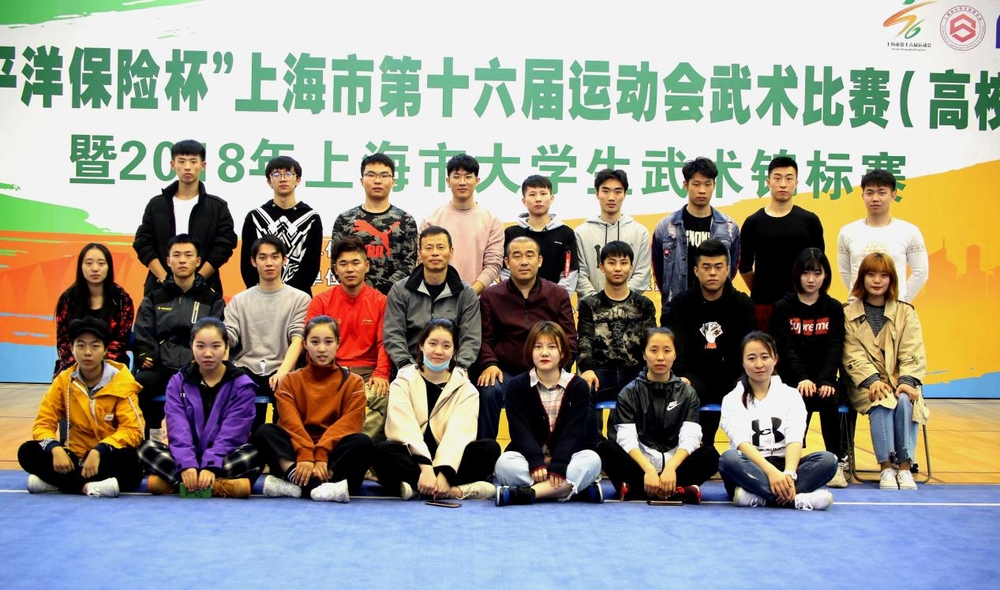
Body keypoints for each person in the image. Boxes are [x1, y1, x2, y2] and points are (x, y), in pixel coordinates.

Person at [370, 318, 499, 500]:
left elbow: (459, 434)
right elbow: (403, 427)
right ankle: (453, 490)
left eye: (446, 346)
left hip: (450, 460)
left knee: (489, 449)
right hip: (414, 457)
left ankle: (420, 488)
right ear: (421, 345)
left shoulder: (466, 388)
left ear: (454, 350)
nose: (438, 351)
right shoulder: (403, 381)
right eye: (432, 344)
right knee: (382, 450)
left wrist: (444, 474)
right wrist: (425, 467)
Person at [253, 316, 376, 502]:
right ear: (305, 344)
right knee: (265, 432)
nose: (322, 349)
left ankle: (300, 484)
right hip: (297, 453)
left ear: (338, 343)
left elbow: (350, 423)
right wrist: (305, 454)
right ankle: (310, 482)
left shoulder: (354, 382)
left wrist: (321, 454)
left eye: (328, 342)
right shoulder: (289, 381)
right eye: (315, 342)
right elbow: (290, 422)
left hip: (332, 457)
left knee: (363, 443)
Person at [18, 317, 144, 497]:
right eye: (81, 346)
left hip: (106, 456)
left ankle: (59, 483)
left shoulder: (122, 381)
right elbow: (43, 424)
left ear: (105, 350)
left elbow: (133, 429)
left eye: (95, 346)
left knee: (132, 467)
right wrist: (55, 448)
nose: (87, 352)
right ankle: (88, 487)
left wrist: (99, 450)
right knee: (27, 452)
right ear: (71, 348)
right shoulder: (63, 381)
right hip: (73, 456)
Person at [137, 318, 260, 498]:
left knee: (255, 454)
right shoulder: (178, 382)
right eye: (200, 346)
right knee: (145, 448)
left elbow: (233, 433)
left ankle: (178, 484)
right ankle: (218, 486)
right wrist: (187, 464)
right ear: (191, 346)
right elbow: (177, 426)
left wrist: (211, 465)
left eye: (215, 346)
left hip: (223, 456)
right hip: (185, 455)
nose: (208, 353)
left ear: (226, 347)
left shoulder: (242, 385)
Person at [596, 328, 719, 503]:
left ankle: (637, 489)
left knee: (711, 455)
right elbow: (626, 439)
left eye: (667, 351)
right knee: (605, 448)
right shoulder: (629, 392)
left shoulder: (687, 393)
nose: (660, 357)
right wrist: (649, 470)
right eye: (654, 350)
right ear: (644, 354)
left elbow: (690, 437)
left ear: (675, 355)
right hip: (641, 465)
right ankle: (677, 490)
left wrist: (671, 468)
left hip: (675, 467)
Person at [718, 331, 837, 510]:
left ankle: (761, 497)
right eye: (751, 358)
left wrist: (788, 474)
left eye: (765, 357)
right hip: (751, 468)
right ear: (742, 362)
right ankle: (795, 499)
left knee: (828, 460)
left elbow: (795, 437)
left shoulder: (791, 395)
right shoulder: (732, 399)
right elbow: (741, 443)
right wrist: (771, 473)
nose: (759, 364)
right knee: (728, 459)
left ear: (775, 359)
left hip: (785, 465)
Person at [843, 252, 929, 490]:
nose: (877, 280)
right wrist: (872, 380)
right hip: (865, 385)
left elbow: (913, 351)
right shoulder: (848, 313)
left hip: (901, 381)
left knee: (905, 400)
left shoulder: (906, 312)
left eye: (883, 275)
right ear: (862, 278)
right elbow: (852, 354)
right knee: (882, 399)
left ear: (891, 279)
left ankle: (905, 468)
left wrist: (906, 381)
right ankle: (886, 468)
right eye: (871, 274)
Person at [476, 236, 577, 439]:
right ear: (507, 262)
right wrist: (489, 364)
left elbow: (569, 340)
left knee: (576, 390)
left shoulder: (557, 294)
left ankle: (558, 451)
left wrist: (557, 369)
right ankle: (485, 451)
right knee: (488, 390)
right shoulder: (490, 296)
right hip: (505, 371)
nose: (523, 262)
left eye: (529, 256)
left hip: (546, 370)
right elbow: (484, 339)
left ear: (539, 261)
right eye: (517, 256)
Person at [495, 321, 604, 506]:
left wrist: (559, 463)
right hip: (530, 460)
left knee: (592, 460)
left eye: (552, 347)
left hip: (567, 459)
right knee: (504, 464)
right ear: (530, 351)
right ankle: (574, 489)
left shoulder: (578, 386)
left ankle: (528, 493)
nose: (544, 353)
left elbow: (574, 433)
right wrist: (536, 462)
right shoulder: (516, 386)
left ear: (562, 352)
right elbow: (520, 431)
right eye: (538, 347)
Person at [662, 239, 755, 448]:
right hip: (694, 375)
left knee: (748, 388)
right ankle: (691, 451)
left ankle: (745, 453)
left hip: (732, 376)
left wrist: (744, 377)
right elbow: (676, 348)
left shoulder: (742, 304)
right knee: (682, 389)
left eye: (718, 267)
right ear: (696, 270)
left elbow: (749, 347)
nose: (712, 273)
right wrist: (682, 376)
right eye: (706, 267)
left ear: (728, 270)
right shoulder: (681, 304)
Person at [770, 248, 848, 488]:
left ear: (826, 276)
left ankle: (836, 463)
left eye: (817, 273)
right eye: (806, 273)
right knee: (797, 400)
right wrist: (801, 378)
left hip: (824, 379)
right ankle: (791, 463)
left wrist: (826, 380)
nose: (811, 279)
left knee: (830, 400)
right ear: (797, 275)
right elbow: (785, 348)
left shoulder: (833, 308)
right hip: (793, 380)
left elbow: (835, 347)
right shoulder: (783, 307)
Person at [133, 234, 225, 437]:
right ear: (168, 261)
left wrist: (200, 360)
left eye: (188, 255)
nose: (182, 260)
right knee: (139, 384)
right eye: (176, 255)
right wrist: (146, 354)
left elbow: (218, 336)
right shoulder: (154, 298)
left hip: (199, 368)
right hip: (162, 366)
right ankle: (149, 439)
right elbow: (143, 332)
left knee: (220, 386)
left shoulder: (212, 299)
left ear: (198, 261)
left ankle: (205, 441)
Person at [306, 237, 391, 441]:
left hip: (368, 373)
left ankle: (354, 447)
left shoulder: (381, 302)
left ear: (366, 266)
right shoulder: (320, 302)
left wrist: (381, 373)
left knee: (379, 395)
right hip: (331, 370)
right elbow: (310, 344)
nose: (350, 269)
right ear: (335, 269)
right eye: (343, 264)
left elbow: (384, 342)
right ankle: (332, 445)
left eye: (355, 263)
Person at [226, 235, 310, 431]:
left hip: (282, 368)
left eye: (275, 257)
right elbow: (227, 338)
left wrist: (282, 372)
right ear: (253, 262)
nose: (269, 263)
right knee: (239, 397)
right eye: (262, 258)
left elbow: (298, 339)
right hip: (246, 368)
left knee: (287, 400)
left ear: (284, 260)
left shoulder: (300, 299)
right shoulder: (239, 301)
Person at [133, 139, 237, 297]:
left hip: (205, 290)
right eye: (181, 161)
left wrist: (199, 278)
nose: (187, 167)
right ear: (172, 165)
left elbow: (224, 245)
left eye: (193, 161)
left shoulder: (217, 207)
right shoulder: (157, 205)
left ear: (203, 165)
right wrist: (165, 278)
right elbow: (143, 243)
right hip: (160, 290)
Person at [739, 156, 824, 329]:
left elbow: (819, 264)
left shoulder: (810, 221)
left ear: (796, 183)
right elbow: (745, 267)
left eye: (789, 178)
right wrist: (761, 288)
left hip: (802, 302)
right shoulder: (753, 222)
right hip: (764, 305)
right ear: (768, 182)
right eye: (777, 178)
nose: (783, 184)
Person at [652, 157, 740, 322]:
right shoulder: (666, 227)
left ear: (714, 185)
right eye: (696, 184)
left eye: (707, 184)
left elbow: (731, 268)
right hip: (677, 310)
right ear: (685, 185)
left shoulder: (729, 227)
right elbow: (659, 271)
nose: (702, 190)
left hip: (718, 311)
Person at [384, 226, 481, 373]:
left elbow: (470, 339)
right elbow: (393, 334)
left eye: (441, 247)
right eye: (429, 248)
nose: (435, 253)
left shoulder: (466, 294)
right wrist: (407, 367)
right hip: (410, 367)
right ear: (420, 253)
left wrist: (458, 368)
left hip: (452, 368)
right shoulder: (400, 290)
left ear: (451, 252)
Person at [577, 241, 657, 405]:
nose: (618, 268)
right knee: (581, 390)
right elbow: (585, 340)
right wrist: (587, 369)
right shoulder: (589, 305)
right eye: (612, 263)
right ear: (601, 266)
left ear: (631, 267)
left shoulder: (644, 305)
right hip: (600, 372)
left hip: (635, 372)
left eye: (624, 263)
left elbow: (651, 342)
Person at [330, 153, 418, 295]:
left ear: (393, 181)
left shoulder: (405, 220)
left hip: (393, 298)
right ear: (361, 180)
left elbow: (409, 264)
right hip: (354, 296)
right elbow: (336, 261)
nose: (377, 180)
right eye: (371, 175)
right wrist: (360, 291)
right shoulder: (345, 219)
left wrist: (382, 293)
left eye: (384, 175)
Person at [837, 169, 929, 303]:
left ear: (893, 195)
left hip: (894, 308)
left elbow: (921, 272)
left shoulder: (909, 231)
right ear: (862, 196)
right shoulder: (848, 232)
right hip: (857, 308)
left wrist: (900, 301)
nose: (875, 198)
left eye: (881, 192)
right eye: (869, 193)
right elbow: (846, 272)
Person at [420, 153, 503, 294]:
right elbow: (422, 260)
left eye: (468, 176)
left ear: (477, 181)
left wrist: (469, 294)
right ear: (448, 181)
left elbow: (493, 265)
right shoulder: (431, 220)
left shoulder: (492, 221)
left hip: (476, 299)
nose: (462, 182)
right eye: (457, 176)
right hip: (437, 297)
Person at [240, 155, 323, 296]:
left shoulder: (311, 218)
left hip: (298, 298)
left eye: (289, 174)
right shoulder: (255, 217)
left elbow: (311, 265)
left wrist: (287, 294)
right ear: (269, 181)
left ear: (298, 180)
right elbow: (248, 264)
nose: (283, 179)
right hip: (260, 296)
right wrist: (264, 291)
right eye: (276, 174)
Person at [54, 243, 134, 375]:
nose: (95, 269)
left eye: (101, 263)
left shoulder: (122, 299)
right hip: (74, 364)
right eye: (89, 263)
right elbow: (63, 341)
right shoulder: (68, 299)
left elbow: (120, 341)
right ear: (80, 267)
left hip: (112, 365)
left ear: (109, 267)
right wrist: (79, 366)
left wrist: (98, 367)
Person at [576, 168, 651, 298]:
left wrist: (622, 299)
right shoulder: (581, 233)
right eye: (605, 191)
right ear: (597, 193)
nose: (611, 197)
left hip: (630, 307)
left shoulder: (640, 233)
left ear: (624, 194)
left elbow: (642, 273)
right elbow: (579, 274)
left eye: (618, 191)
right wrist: (597, 302)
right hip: (590, 307)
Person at [500, 174, 578, 295]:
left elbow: (569, 272)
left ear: (551, 198)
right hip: (516, 301)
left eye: (543, 193)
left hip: (554, 302)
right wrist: (518, 297)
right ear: (524, 201)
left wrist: (556, 299)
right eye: (532, 194)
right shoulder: (511, 233)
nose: (538, 199)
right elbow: (505, 270)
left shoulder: (565, 233)